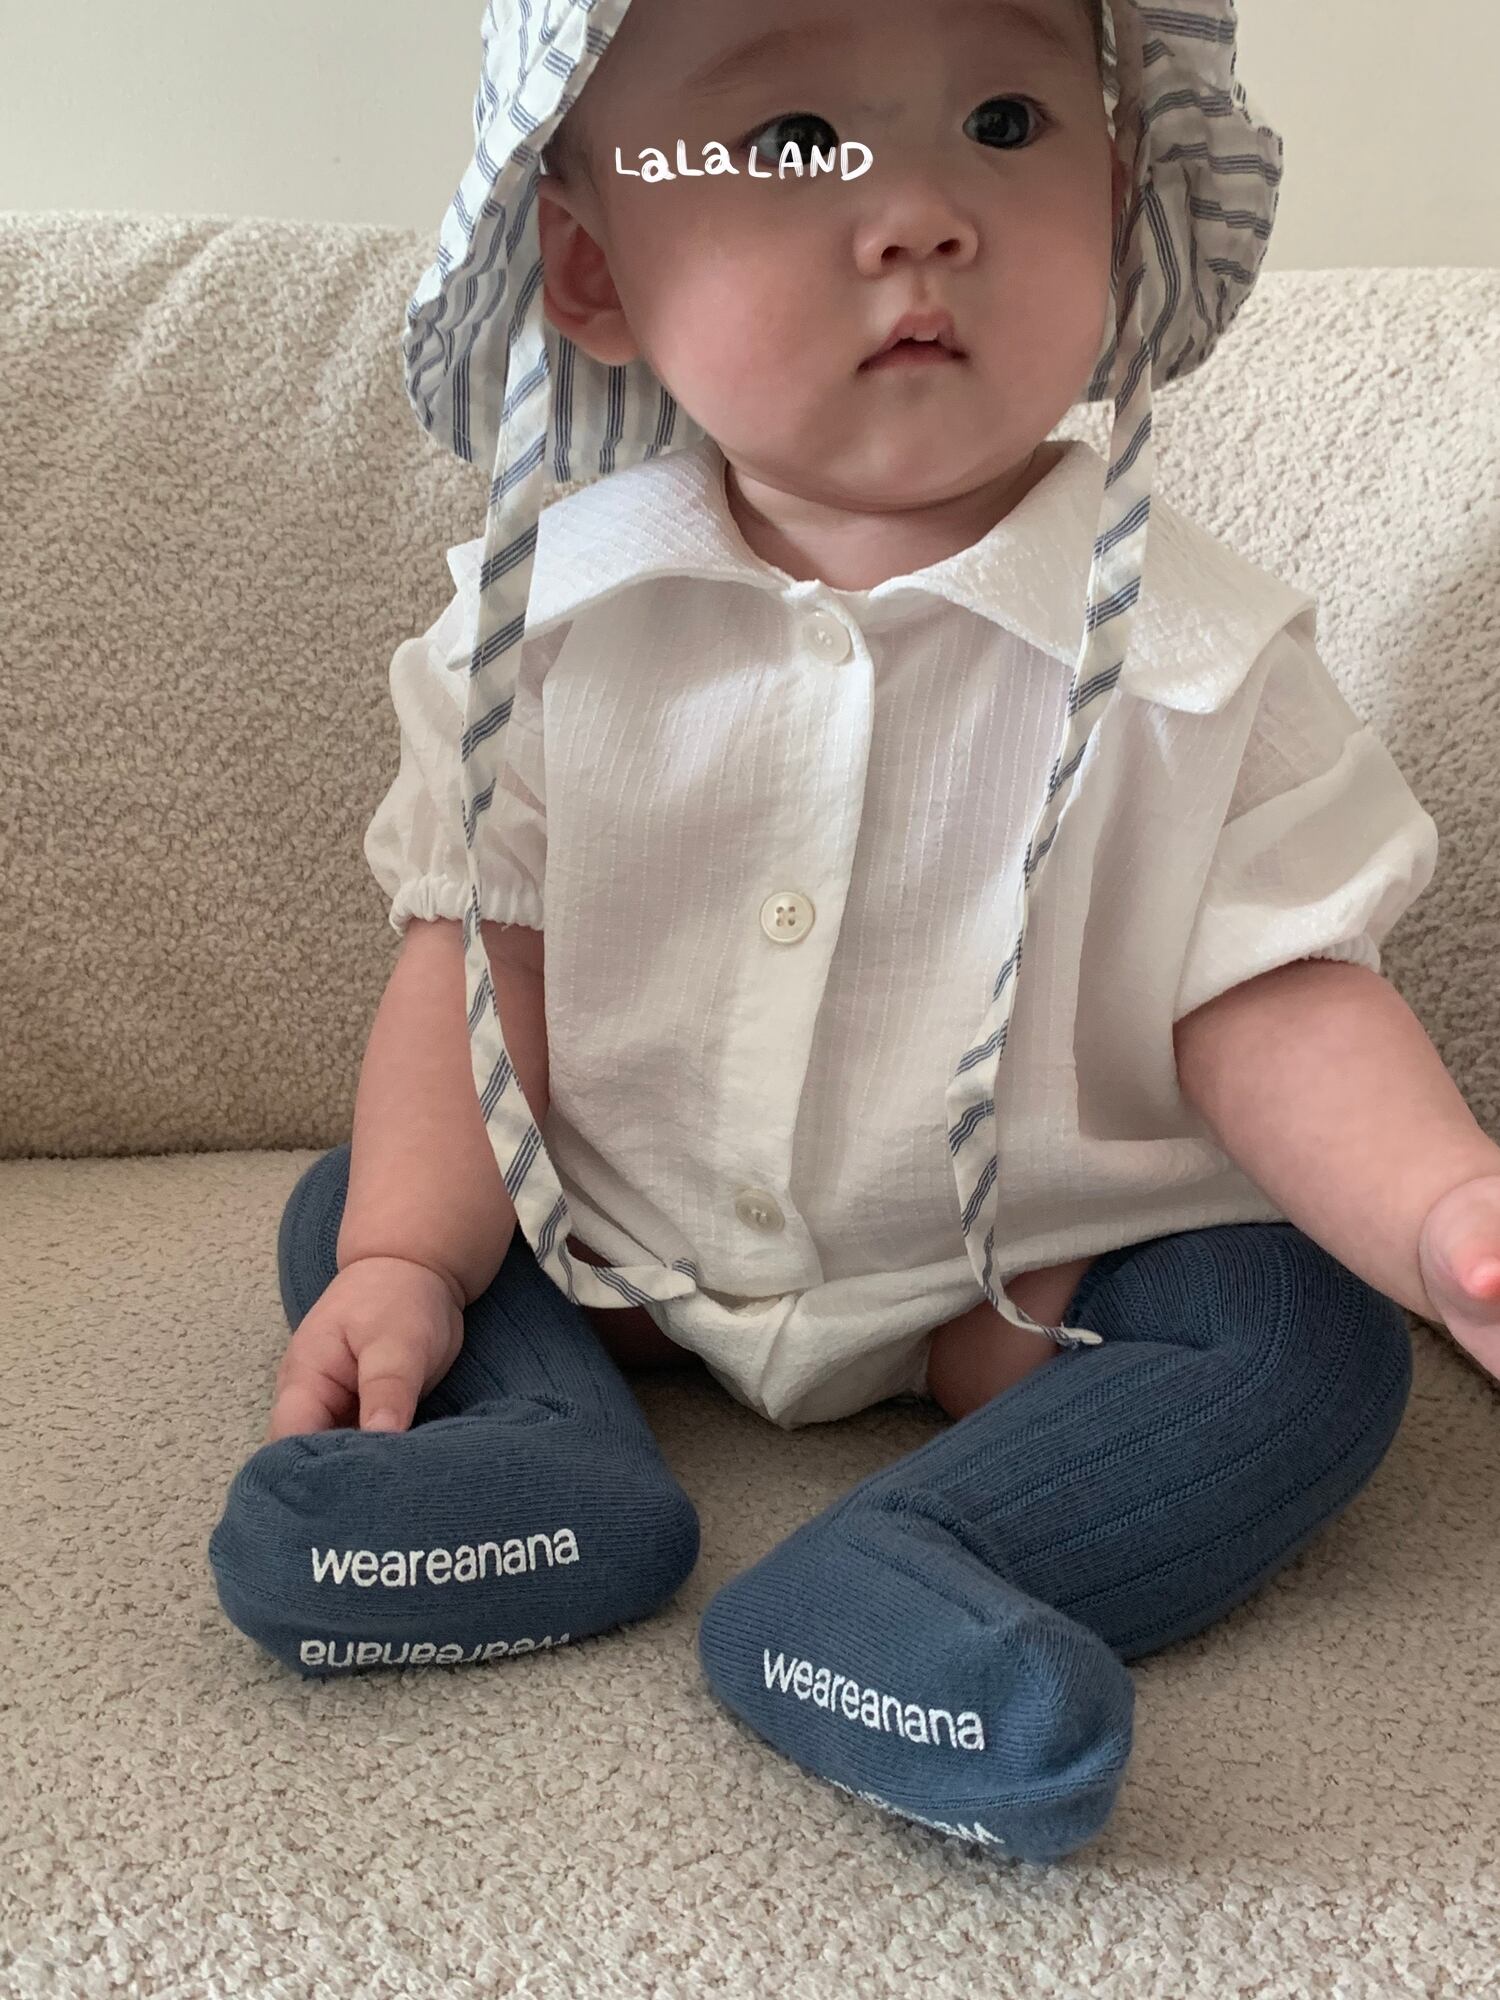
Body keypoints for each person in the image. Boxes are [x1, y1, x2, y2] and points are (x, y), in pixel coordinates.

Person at [209, 0, 1500, 1864]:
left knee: (1302, 1333)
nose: (920, 214)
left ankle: (924, 1573)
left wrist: (1447, 1206)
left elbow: (1276, 993)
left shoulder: (1201, 665)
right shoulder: (538, 637)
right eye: (797, 145)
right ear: (592, 267)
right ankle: (541, 1466)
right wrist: (410, 1257)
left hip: (1019, 1296)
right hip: (620, 1246)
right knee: (364, 1200)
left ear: (1118, 204)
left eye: (1006, 121)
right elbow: (485, 964)